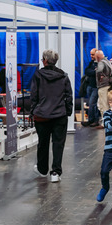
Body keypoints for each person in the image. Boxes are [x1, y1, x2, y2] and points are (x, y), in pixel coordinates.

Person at [31, 49, 73, 183]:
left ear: (44, 60)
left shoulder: (38, 75)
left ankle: (43, 170)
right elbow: (69, 96)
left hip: (42, 115)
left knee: (42, 143)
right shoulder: (64, 76)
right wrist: (68, 111)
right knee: (58, 144)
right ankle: (55, 172)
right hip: (60, 115)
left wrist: (33, 111)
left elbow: (34, 96)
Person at [95, 50, 112, 127]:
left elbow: (99, 70)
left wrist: (98, 74)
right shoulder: (107, 61)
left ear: (97, 57)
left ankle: (105, 123)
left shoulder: (101, 63)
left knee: (103, 105)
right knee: (106, 104)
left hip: (103, 86)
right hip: (108, 84)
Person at [82, 48, 99, 127]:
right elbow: (86, 71)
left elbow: (97, 72)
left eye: (92, 54)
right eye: (91, 54)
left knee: (92, 104)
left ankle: (93, 120)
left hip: (96, 87)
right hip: (90, 86)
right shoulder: (91, 63)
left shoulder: (100, 63)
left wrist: (92, 72)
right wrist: (94, 72)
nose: (91, 56)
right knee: (91, 104)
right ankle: (92, 119)